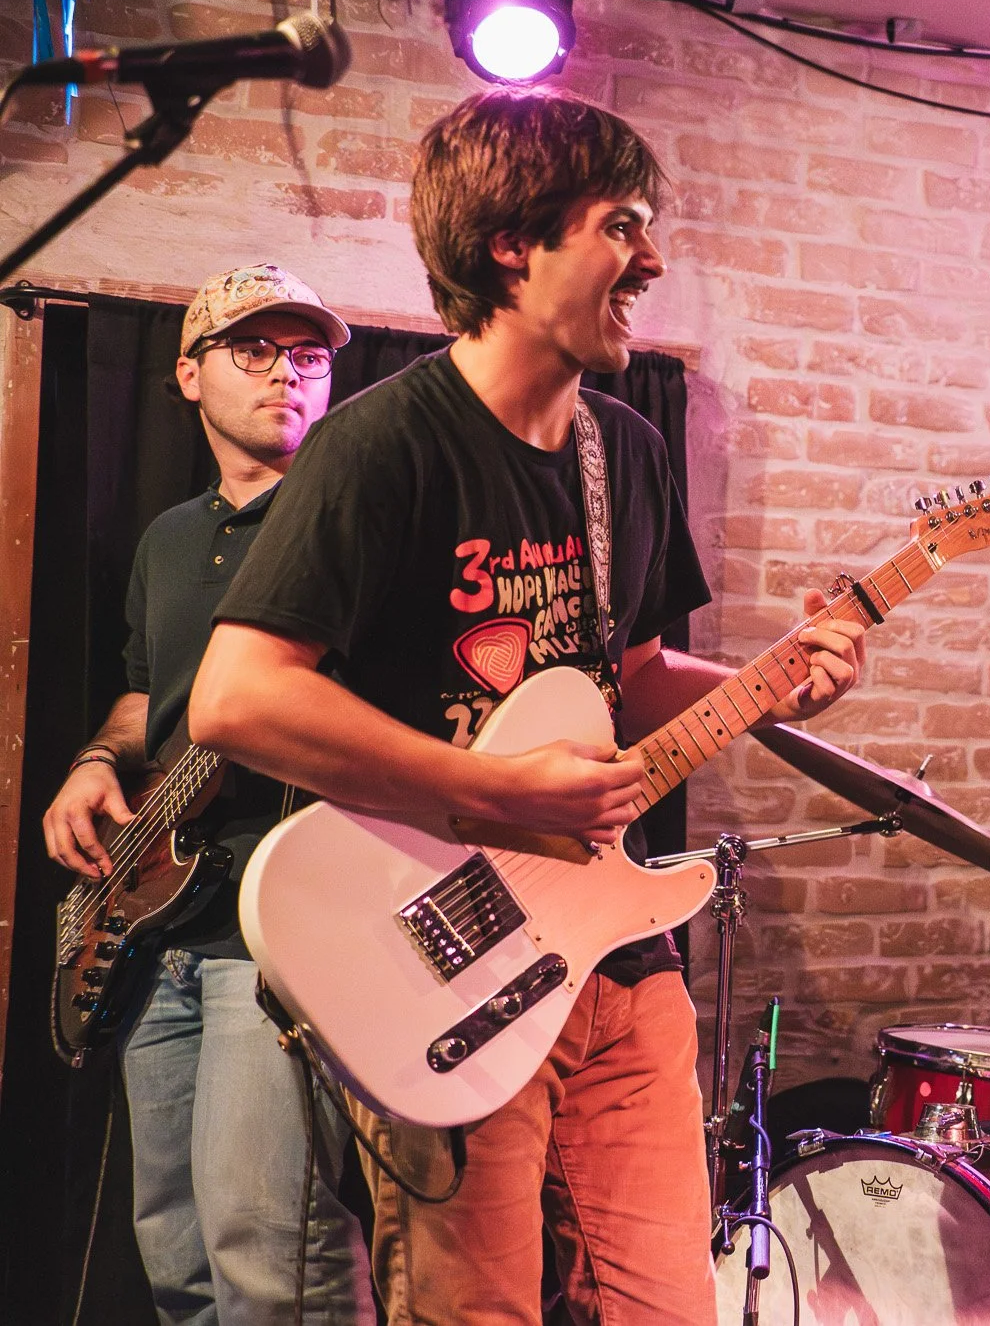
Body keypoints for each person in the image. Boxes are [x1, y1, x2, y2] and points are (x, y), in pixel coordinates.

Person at [188, 90, 865, 1326]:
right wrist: (485, 789)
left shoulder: (626, 452)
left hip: (617, 947)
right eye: (622, 226)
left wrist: (774, 692)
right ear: (513, 243)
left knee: (671, 1305)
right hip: (443, 952)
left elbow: (634, 671)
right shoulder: (380, 446)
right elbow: (236, 699)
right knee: (475, 1310)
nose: (650, 260)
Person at [41, 264, 372, 1323]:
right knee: (178, 1261)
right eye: (254, 350)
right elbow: (150, 695)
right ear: (186, 374)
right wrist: (96, 763)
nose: (288, 372)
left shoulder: (351, 521)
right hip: (153, 928)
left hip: (274, 938)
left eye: (309, 355)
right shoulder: (169, 539)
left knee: (277, 1266)